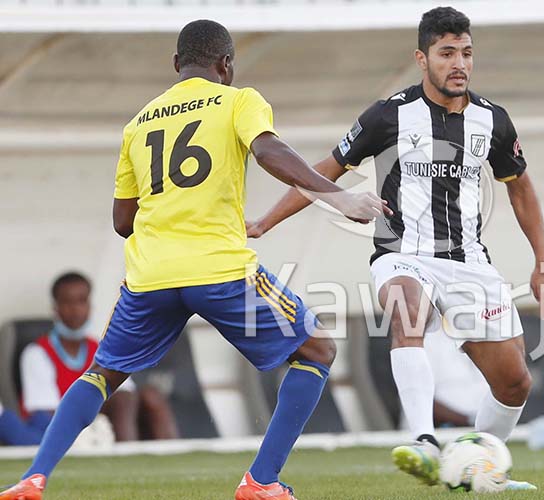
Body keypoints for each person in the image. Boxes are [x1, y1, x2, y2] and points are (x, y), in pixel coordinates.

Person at [0, 19, 387, 500]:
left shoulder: (138, 123)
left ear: (175, 65)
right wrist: (338, 197)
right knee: (316, 351)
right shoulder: (239, 100)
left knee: (102, 375)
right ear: (226, 64)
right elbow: (268, 150)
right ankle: (261, 481)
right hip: (219, 269)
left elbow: (124, 221)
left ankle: (34, 477)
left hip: (151, 275)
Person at [246, 6, 544, 491]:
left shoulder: (492, 121)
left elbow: (519, 186)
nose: (459, 63)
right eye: (447, 52)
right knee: (406, 311)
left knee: (515, 382)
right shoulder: (387, 114)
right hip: (402, 253)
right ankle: (425, 442)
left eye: (467, 53)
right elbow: (325, 169)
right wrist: (265, 221)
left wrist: (543, 261)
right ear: (422, 57)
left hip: (469, 262)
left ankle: (478, 470)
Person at [4, 272, 139, 446]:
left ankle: (139, 453)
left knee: (138, 396)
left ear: (90, 306)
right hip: (55, 432)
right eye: (67, 302)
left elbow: (125, 395)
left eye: (82, 301)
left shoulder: (102, 348)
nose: (75, 310)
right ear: (55, 308)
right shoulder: (37, 353)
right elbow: (45, 415)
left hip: (98, 428)